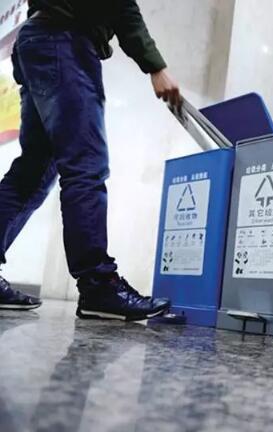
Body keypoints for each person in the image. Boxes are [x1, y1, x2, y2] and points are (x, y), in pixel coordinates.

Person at [0, 0, 180, 320]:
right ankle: (98, 285)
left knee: (34, 170)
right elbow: (122, 7)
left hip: (38, 39)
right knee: (85, 166)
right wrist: (155, 66)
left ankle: (98, 285)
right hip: (63, 40)